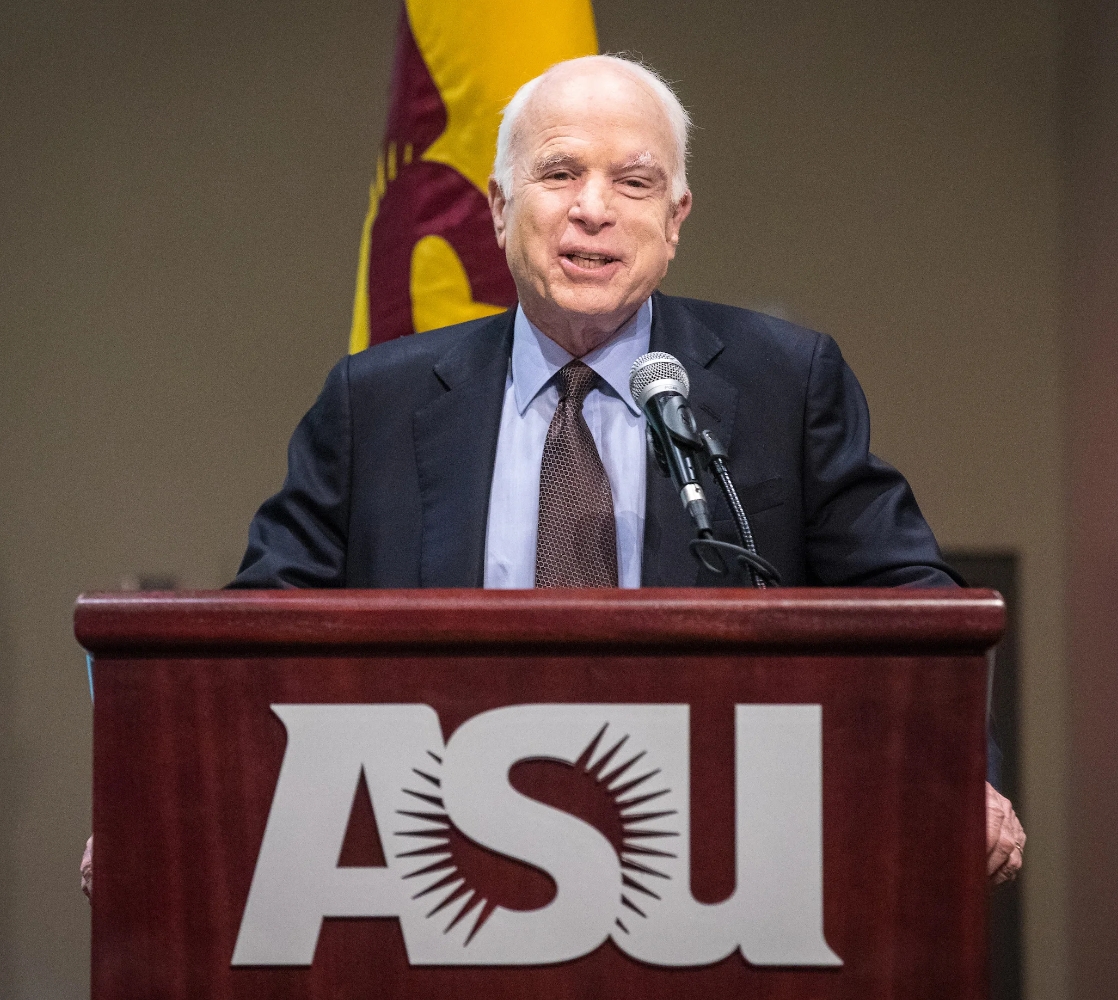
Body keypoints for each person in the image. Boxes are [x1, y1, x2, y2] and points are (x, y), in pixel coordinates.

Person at [83, 55, 1024, 897]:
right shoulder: (374, 403)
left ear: (675, 218)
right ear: (498, 207)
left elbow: (912, 604)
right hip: (430, 862)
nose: (594, 208)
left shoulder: (786, 381)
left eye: (635, 180)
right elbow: (258, 636)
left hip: (714, 870)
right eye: (560, 172)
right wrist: (163, 804)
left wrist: (960, 780)